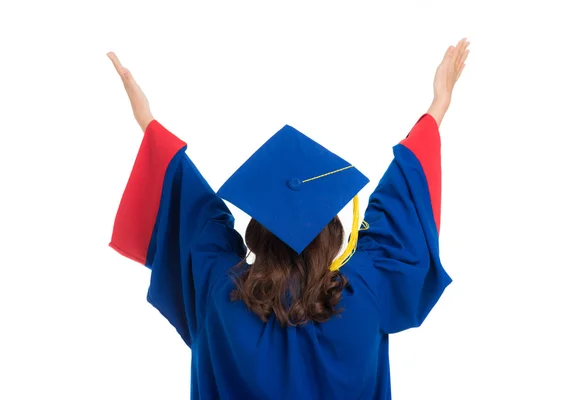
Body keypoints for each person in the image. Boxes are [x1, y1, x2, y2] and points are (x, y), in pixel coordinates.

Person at [107, 38, 470, 399]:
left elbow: (197, 218)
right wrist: (438, 106)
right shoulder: (364, 292)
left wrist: (149, 124)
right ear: (332, 234)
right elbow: (396, 215)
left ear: (257, 233)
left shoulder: (219, 293)